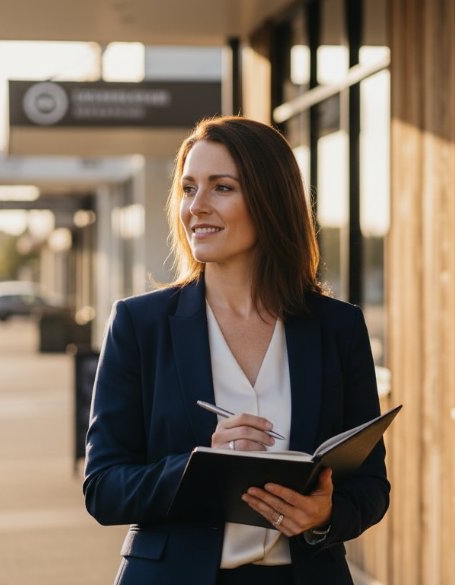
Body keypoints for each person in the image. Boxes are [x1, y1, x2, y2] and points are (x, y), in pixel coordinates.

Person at [83, 116, 389, 585]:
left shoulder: (337, 327)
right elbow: (103, 488)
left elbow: (370, 487)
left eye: (221, 187)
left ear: (270, 200)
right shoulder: (139, 325)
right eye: (188, 189)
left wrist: (325, 515)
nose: (196, 207)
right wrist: (197, 465)